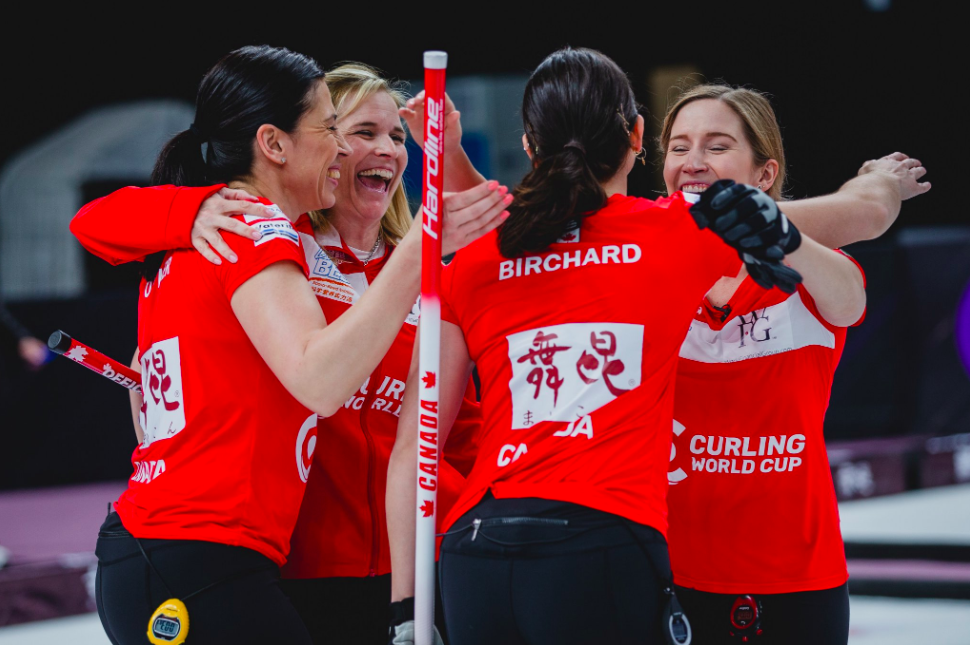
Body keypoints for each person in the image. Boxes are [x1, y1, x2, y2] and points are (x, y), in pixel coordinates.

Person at [71, 46, 509, 645]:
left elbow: (455, 426)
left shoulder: (408, 270)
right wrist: (191, 207)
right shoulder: (262, 233)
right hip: (271, 557)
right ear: (278, 143)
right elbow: (95, 225)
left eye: (396, 136)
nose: (372, 149)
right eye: (348, 130)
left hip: (385, 558)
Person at [384, 47, 802, 645]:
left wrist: (405, 609)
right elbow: (836, 220)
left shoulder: (475, 259)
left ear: (529, 145)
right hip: (600, 539)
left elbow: (415, 447)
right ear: (637, 135)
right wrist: (877, 189)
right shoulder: (675, 232)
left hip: (477, 551)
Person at [661, 84, 929, 645]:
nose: (692, 162)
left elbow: (849, 299)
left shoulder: (808, 271)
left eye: (716, 146)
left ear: (765, 173)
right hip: (670, 572)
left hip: (799, 577)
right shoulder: (648, 269)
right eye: (678, 147)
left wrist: (782, 237)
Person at [0, 298, 48, 369]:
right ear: (38, 342)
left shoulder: (8, 357)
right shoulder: (27, 324)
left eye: (34, 357)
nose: (31, 352)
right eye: (35, 355)